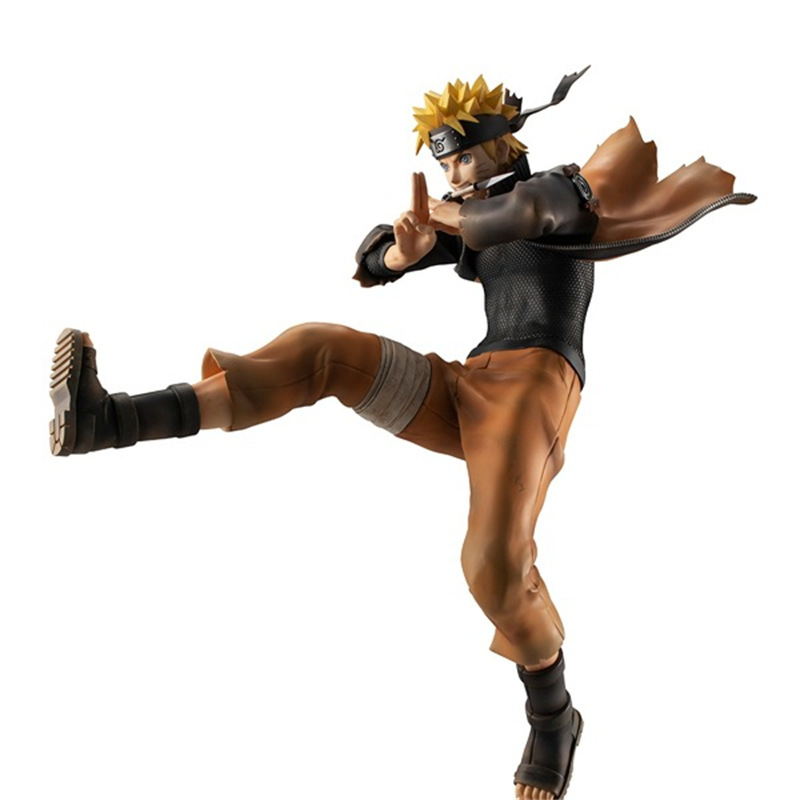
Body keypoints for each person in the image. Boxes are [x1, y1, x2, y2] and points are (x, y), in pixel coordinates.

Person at [48, 71, 754, 800]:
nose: (453, 175)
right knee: (319, 349)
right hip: (472, 385)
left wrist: (446, 220)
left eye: (463, 158)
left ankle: (554, 715)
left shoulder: (558, 192)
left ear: (501, 146)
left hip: (536, 385)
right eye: (444, 163)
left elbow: (522, 215)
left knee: (492, 564)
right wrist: (400, 254)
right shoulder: (470, 215)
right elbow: (374, 256)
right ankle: (112, 420)